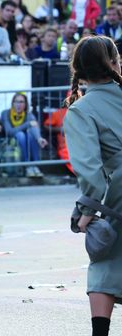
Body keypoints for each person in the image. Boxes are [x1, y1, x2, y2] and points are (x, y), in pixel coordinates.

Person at [63, 35, 122, 336]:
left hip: (119, 191)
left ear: (79, 70)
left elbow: (92, 174)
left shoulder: (80, 111)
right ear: (114, 62)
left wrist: (85, 213)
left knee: (105, 261)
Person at [2, 92, 48, 178]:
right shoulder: (6, 113)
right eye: (16, 102)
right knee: (20, 135)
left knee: (31, 134)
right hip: (10, 141)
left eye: (21, 102)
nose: (18, 105)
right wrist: (27, 124)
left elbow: (34, 126)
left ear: (26, 104)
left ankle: (35, 166)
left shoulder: (29, 115)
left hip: (25, 141)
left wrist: (39, 138)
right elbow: (9, 132)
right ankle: (27, 165)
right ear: (12, 103)